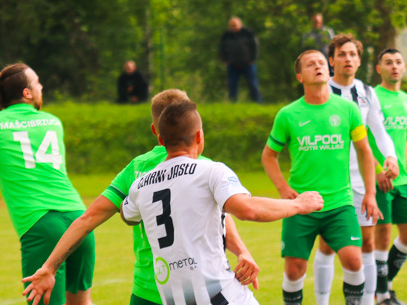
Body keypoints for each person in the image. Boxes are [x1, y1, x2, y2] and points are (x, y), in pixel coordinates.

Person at [22, 88, 260, 305]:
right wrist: (242, 251)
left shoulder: (136, 169)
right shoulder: (203, 166)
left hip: (146, 291)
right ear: (195, 130)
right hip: (196, 292)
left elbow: (87, 220)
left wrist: (49, 267)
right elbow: (220, 215)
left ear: (156, 131)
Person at [120, 99, 323, 305]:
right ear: (199, 136)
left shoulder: (140, 185)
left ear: (161, 140)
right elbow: (247, 210)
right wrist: (299, 204)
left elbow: (126, 214)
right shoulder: (211, 171)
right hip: (220, 296)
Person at [0, 63, 94, 305]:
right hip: (79, 218)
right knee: (82, 302)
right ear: (27, 93)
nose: (41, 86)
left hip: (41, 224)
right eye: (37, 83)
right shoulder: (52, 121)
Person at [261, 49, 381, 305]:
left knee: (354, 260)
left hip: (339, 204)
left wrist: (370, 193)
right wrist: (283, 189)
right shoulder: (288, 114)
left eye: (320, 62)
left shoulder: (347, 109)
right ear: (299, 77)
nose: (317, 66)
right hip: (300, 207)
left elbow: (364, 151)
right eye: (309, 64)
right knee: (294, 270)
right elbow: (268, 156)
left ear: (328, 70)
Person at [315, 34, 399, 305]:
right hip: (330, 181)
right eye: (342, 54)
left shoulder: (367, 92)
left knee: (367, 243)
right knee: (328, 244)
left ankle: (367, 301)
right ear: (331, 61)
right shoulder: (320, 90)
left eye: (352, 54)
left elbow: (379, 130)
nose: (348, 59)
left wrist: (390, 157)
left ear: (359, 60)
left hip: (362, 181)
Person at [372, 49, 407, 305]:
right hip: (382, 178)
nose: (394, 67)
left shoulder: (406, 99)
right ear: (379, 69)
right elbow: (365, 138)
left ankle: (384, 285)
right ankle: (382, 296)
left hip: (402, 179)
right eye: (388, 63)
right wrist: (377, 170)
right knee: (383, 237)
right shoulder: (372, 97)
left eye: (398, 62)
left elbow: (403, 140)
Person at [219, 17, 262, 104]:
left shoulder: (248, 33)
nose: (233, 28)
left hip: (248, 64)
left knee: (253, 84)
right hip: (232, 65)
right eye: (231, 26)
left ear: (240, 25)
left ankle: (258, 103)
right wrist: (225, 59)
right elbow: (221, 48)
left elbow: (255, 46)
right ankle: (232, 103)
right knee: (232, 85)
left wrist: (252, 59)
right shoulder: (226, 35)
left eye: (234, 25)